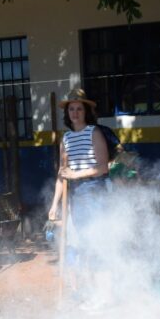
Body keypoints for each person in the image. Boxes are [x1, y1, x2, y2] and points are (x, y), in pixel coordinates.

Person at [48, 88, 111, 307]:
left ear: (86, 112)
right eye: (71, 109)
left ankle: (104, 296)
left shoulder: (94, 132)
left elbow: (103, 168)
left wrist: (76, 175)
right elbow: (62, 174)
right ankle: (89, 292)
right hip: (75, 194)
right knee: (82, 244)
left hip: (94, 191)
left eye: (79, 109)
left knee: (96, 243)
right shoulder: (66, 138)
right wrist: (54, 204)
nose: (75, 113)